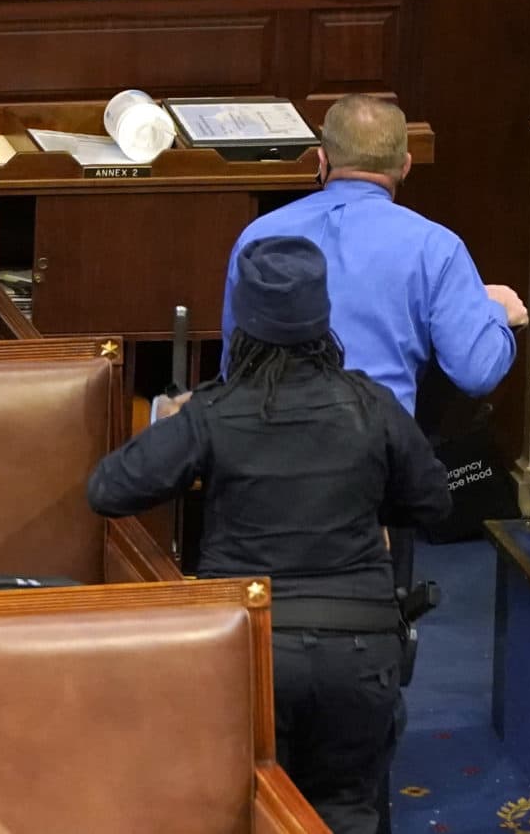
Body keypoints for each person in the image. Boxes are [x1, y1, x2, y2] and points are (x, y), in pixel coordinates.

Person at [90, 237, 451, 834]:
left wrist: (187, 439)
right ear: (322, 319)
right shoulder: (373, 407)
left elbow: (108, 490)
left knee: (248, 811)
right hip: (359, 652)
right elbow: (435, 503)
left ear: (243, 323)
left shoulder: (211, 414)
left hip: (251, 647)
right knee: (347, 811)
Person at [221, 94, 524, 418]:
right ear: (406, 165)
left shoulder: (258, 235)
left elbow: (234, 369)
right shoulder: (436, 247)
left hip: (265, 449)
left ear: (322, 161)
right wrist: (497, 312)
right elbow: (476, 373)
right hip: (378, 455)